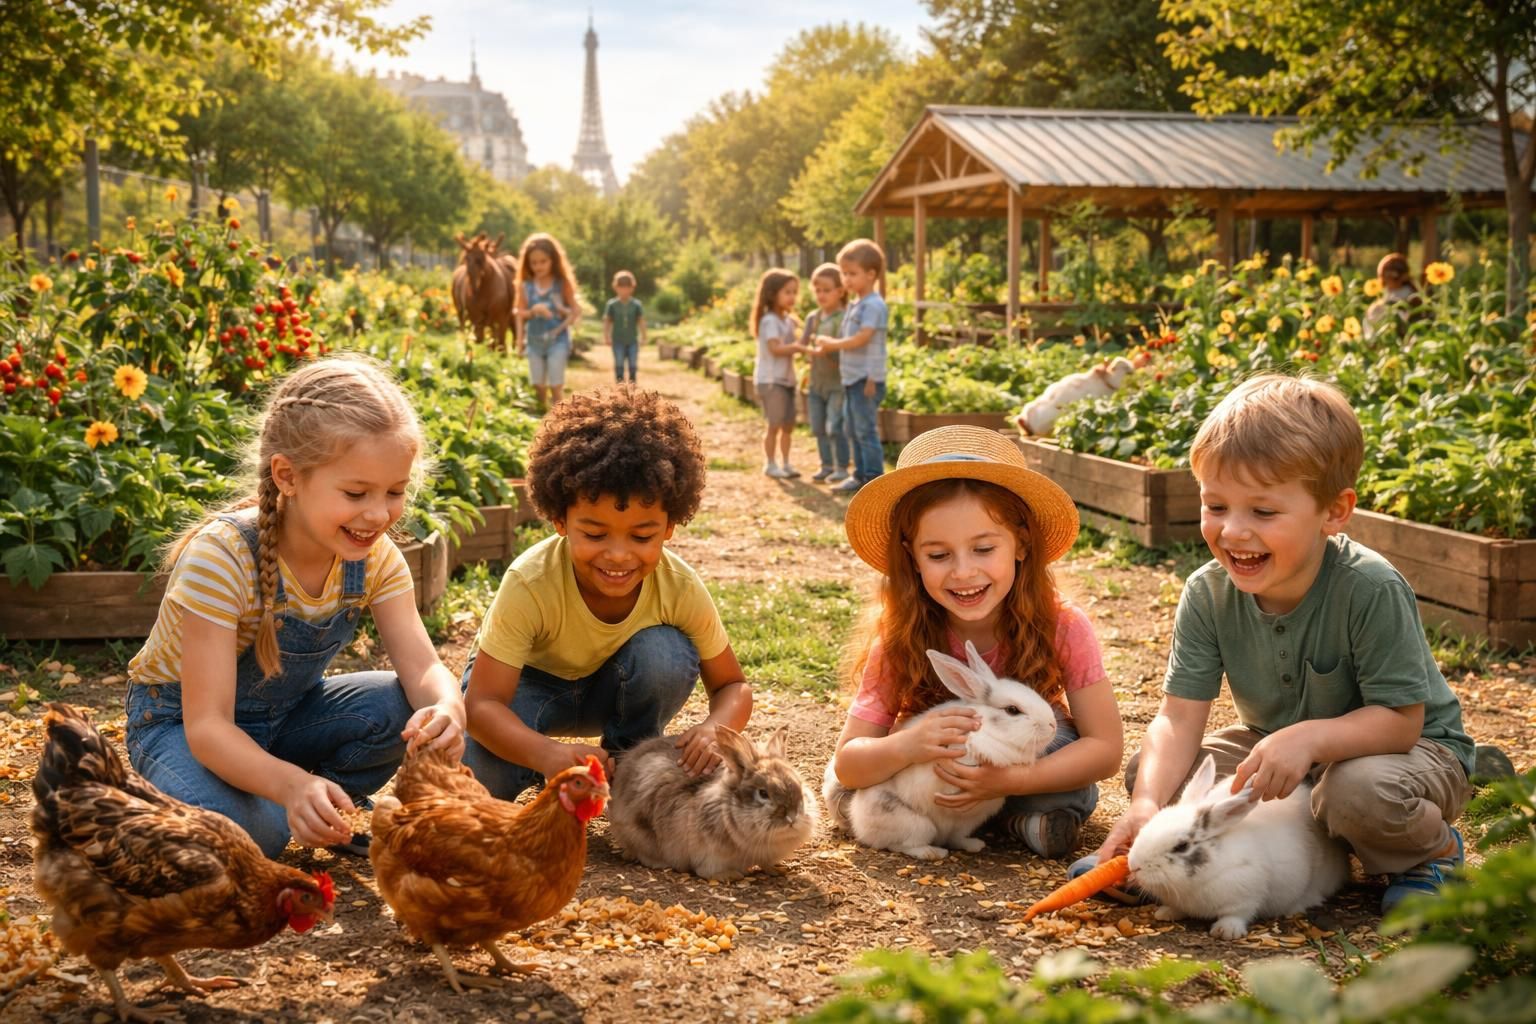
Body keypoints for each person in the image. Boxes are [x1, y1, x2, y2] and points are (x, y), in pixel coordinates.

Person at [1079, 375, 1474, 915]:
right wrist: (1147, 806)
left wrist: (1309, 740)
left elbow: (1401, 721)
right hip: (1277, 745)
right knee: (1159, 775)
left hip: (1402, 755)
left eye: (1263, 512)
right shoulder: (1207, 592)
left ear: (1334, 512)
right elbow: (1177, 717)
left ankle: (1429, 852)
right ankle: (1206, 862)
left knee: (1354, 793)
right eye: (1216, 506)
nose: (1234, 531)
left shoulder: (1370, 588)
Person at [125, 356, 467, 858]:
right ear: (287, 476)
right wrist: (288, 788)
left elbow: (424, 667)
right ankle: (253, 803)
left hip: (282, 721)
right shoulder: (221, 559)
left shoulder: (374, 558)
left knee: (396, 705)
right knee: (256, 836)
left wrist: (446, 707)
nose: (378, 514)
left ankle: (313, 805)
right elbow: (208, 727)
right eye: (355, 492)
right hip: (183, 726)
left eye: (395, 491)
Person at [825, 426, 1123, 858]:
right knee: (843, 790)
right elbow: (849, 761)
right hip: (933, 778)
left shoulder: (1063, 624)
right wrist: (908, 744)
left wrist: (1011, 781)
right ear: (912, 557)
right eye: (939, 556)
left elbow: (1105, 749)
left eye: (983, 549)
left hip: (1023, 765)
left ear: (1021, 544)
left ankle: (1021, 811)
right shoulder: (898, 637)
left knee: (1067, 772)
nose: (963, 573)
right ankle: (993, 821)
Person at [460, 385, 754, 799]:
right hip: (525, 691)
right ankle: (534, 767)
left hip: (610, 689)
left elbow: (733, 687)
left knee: (665, 652)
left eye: (642, 535)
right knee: (479, 781)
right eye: (594, 533)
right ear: (560, 520)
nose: (618, 555)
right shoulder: (530, 582)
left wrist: (713, 729)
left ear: (669, 528)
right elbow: (482, 705)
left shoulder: (678, 586)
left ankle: (626, 763)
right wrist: (545, 755)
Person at [814, 238, 889, 493]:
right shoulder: (856, 304)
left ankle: (873, 477)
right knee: (851, 428)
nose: (846, 279)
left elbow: (863, 339)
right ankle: (859, 474)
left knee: (865, 429)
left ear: (871, 274)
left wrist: (832, 344)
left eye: (852, 274)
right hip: (851, 377)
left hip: (866, 379)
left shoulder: (874, 305)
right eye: (844, 273)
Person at [751, 268, 812, 479]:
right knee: (774, 424)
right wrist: (800, 348)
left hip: (786, 379)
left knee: (788, 425)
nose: (792, 297)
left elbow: (796, 344)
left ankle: (785, 463)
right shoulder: (769, 321)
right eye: (787, 292)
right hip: (771, 380)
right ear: (772, 293)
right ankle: (770, 463)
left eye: (794, 292)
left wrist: (805, 334)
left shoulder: (787, 320)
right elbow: (776, 349)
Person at [515, 232, 580, 408]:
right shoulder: (526, 286)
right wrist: (520, 340)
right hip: (534, 342)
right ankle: (541, 415)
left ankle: (559, 420)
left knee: (556, 384)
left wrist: (563, 311)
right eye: (534, 263)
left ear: (553, 260)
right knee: (538, 384)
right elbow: (519, 313)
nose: (538, 266)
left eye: (543, 261)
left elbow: (575, 311)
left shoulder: (562, 283)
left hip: (557, 340)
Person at [801, 262, 852, 483]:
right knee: (819, 426)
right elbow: (803, 345)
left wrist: (829, 349)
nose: (821, 295)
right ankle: (826, 464)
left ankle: (841, 466)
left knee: (835, 426)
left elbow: (848, 347)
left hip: (838, 382)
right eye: (817, 290)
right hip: (816, 382)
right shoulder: (813, 318)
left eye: (827, 290)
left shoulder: (845, 318)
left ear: (840, 291)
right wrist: (807, 351)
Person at [1362, 252, 1423, 340]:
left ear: (1404, 276)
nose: (1389, 280)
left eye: (1394, 276)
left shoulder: (1409, 296)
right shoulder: (1387, 293)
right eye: (1385, 276)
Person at [604, 270, 646, 384]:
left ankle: (632, 390)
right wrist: (606, 336)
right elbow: (607, 321)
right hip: (618, 340)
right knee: (619, 365)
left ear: (632, 288)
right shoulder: (612, 304)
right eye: (621, 287)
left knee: (633, 365)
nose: (624, 290)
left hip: (632, 340)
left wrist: (644, 336)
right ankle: (620, 390)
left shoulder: (636, 305)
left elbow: (641, 320)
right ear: (616, 287)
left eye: (627, 287)